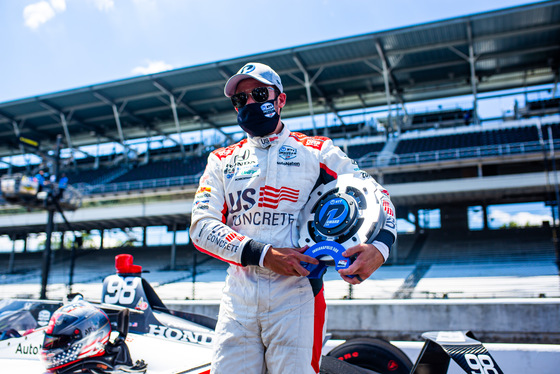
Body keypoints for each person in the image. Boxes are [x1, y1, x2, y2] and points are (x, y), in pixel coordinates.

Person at [190, 62, 397, 374]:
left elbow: (377, 194)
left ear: (280, 100)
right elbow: (200, 227)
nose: (249, 103)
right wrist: (264, 255)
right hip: (238, 296)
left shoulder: (316, 151)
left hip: (298, 295)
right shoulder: (221, 160)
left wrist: (380, 248)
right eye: (239, 99)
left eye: (259, 94)